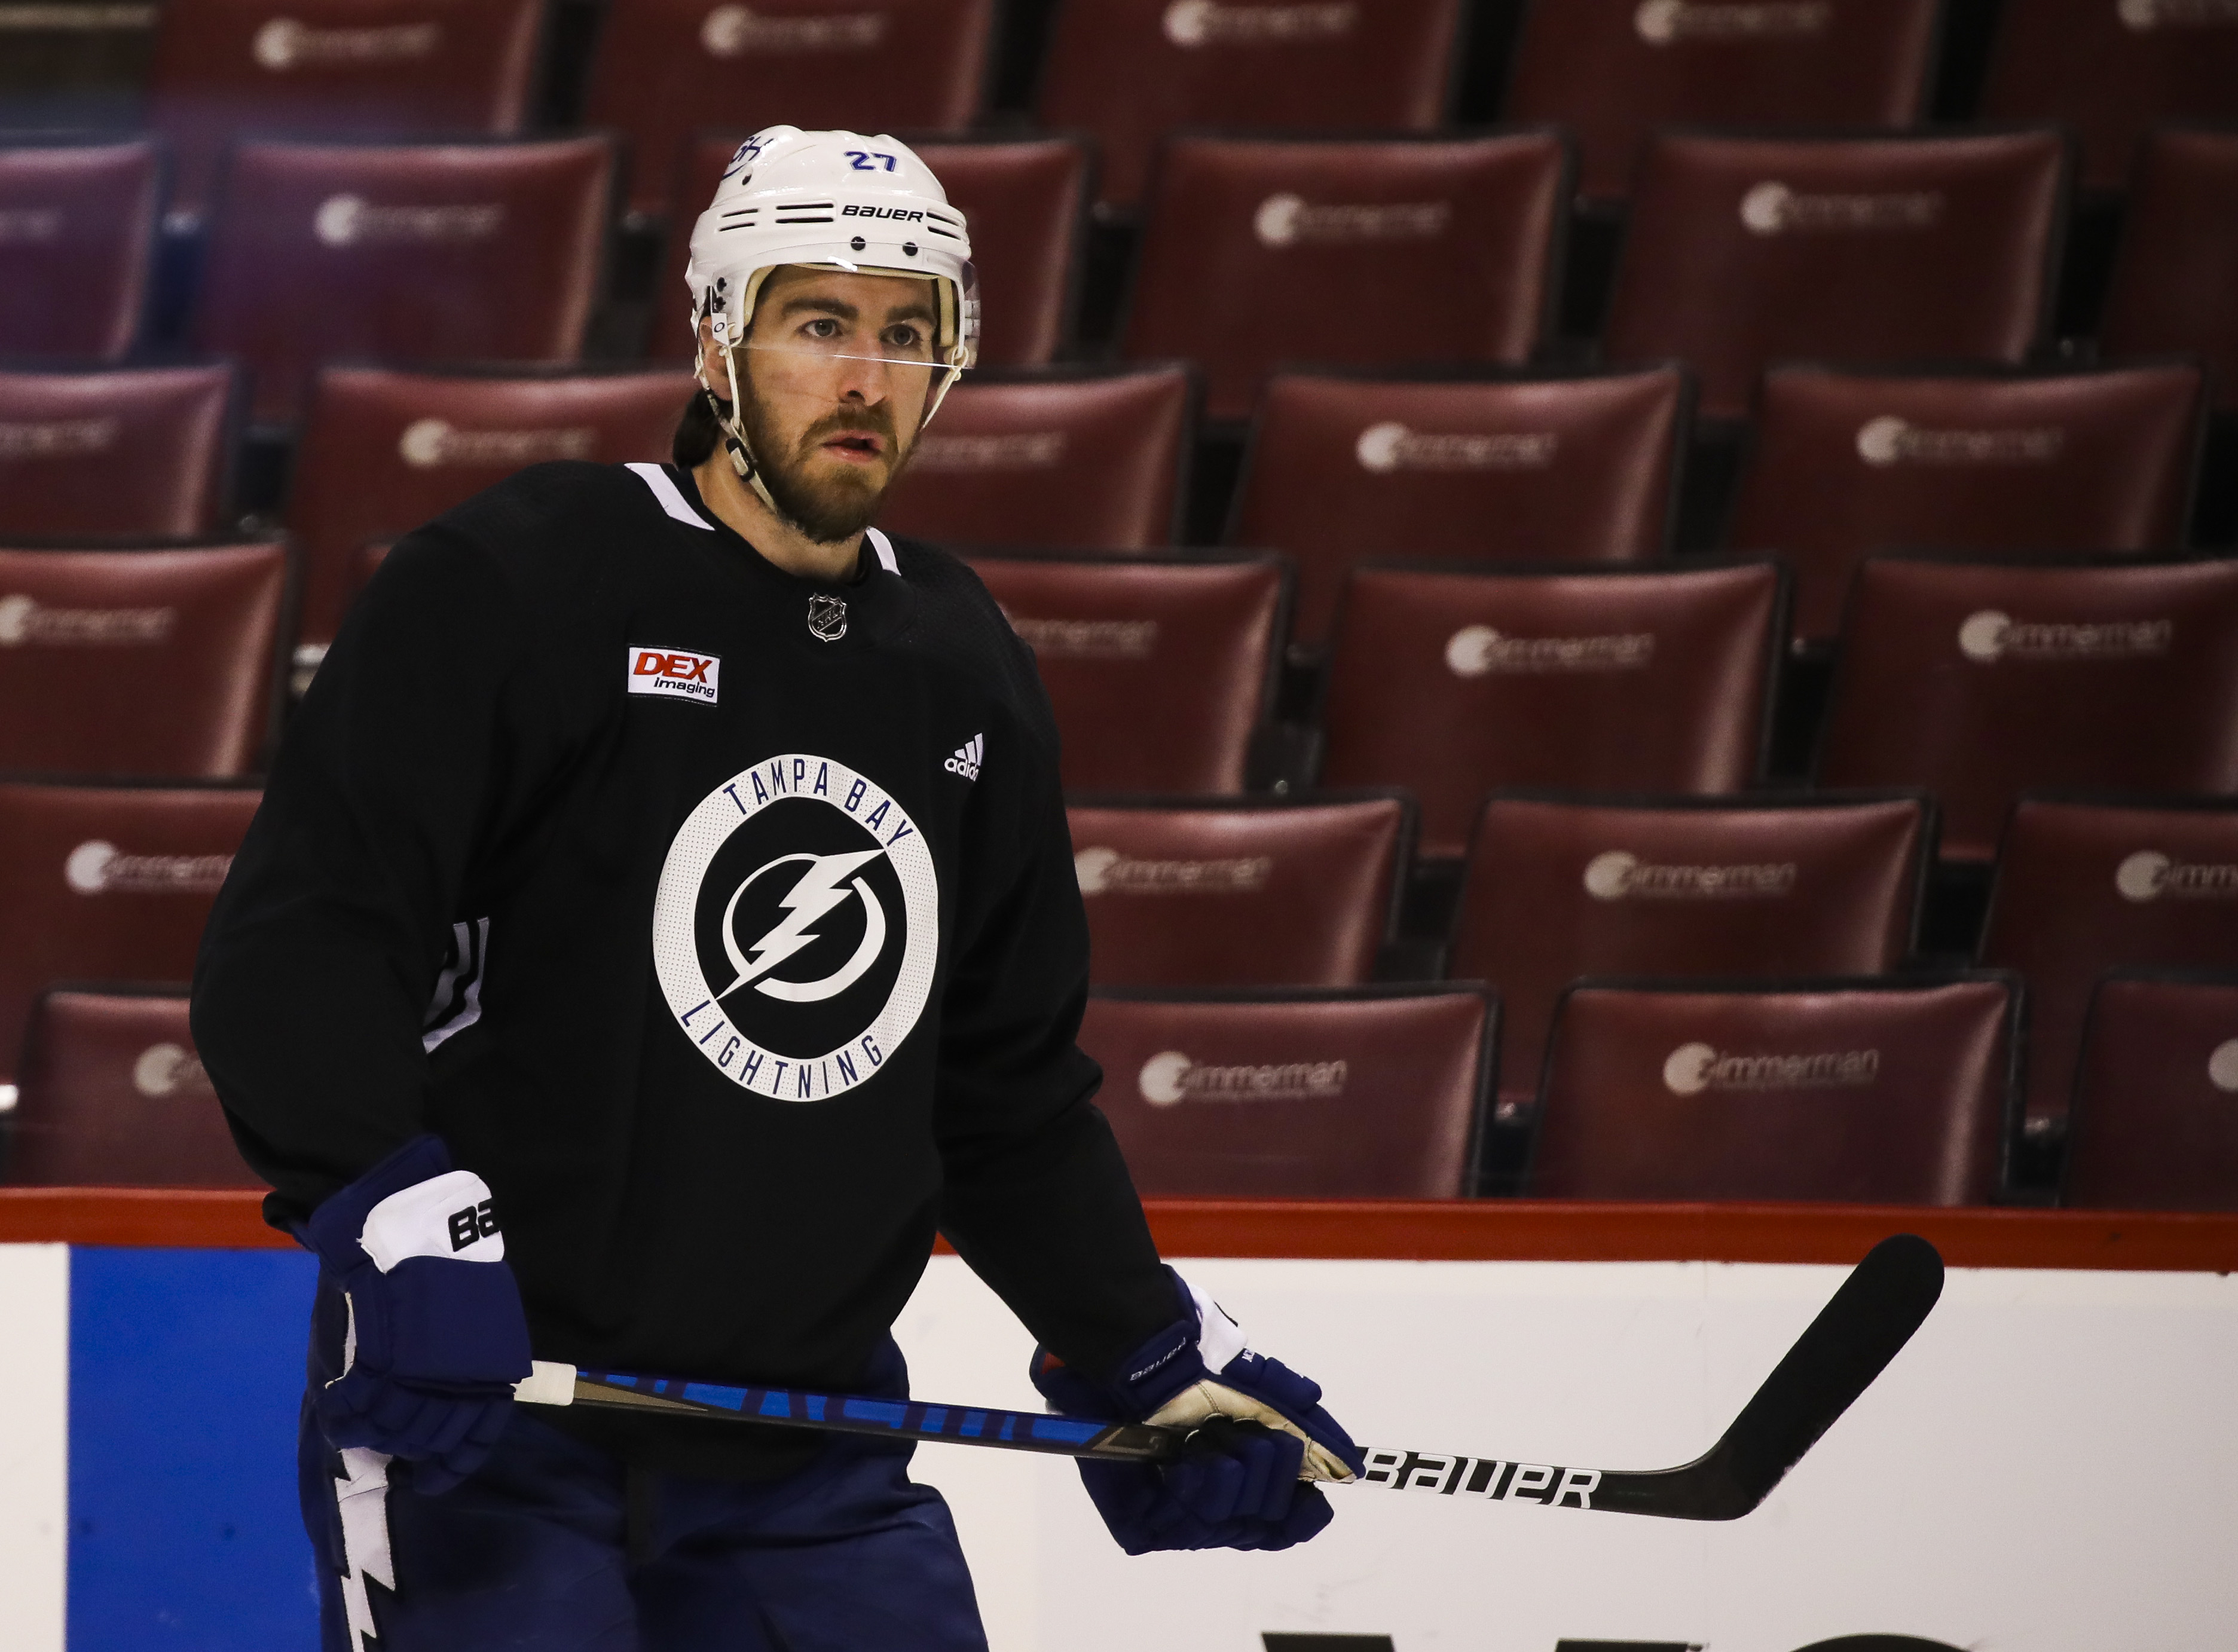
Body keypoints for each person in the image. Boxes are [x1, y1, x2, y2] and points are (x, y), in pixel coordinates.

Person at [191, 124, 1361, 1652]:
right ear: (718, 338)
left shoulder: (960, 662)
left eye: (905, 333)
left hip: (813, 1458)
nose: (864, 377)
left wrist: (1137, 1342)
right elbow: (300, 947)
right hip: (494, 1423)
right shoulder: (520, 579)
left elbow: (999, 1086)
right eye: (818, 324)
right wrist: (393, 1208)